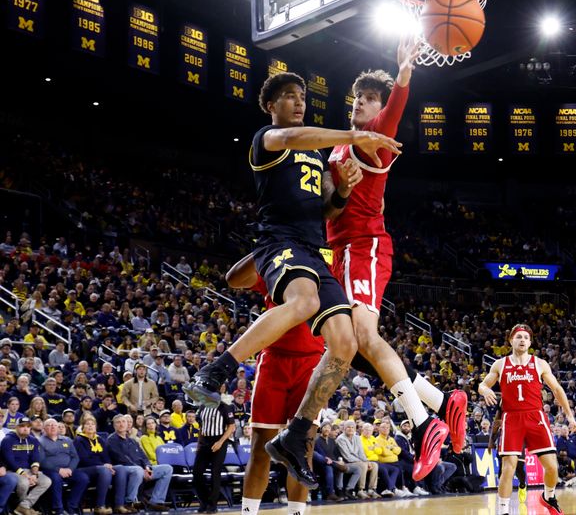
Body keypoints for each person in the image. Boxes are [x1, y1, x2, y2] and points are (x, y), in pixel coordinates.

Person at [183, 69, 405, 489]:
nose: (298, 102)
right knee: (302, 303)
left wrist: (341, 190)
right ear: (271, 106)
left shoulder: (318, 156)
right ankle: (216, 370)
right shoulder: (267, 139)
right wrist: (355, 137)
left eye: (301, 95)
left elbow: (327, 211)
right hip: (279, 241)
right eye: (288, 96)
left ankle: (298, 433)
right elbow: (292, 138)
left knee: (346, 341)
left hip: (312, 248)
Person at [327, 37, 468, 458]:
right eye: (358, 97)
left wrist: (404, 71)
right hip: (342, 250)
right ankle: (442, 401)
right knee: (348, 349)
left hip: (363, 247)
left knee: (365, 338)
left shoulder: (374, 133)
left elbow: (394, 111)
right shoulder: (342, 141)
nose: (361, 104)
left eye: (370, 100)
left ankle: (423, 425)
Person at [224, 263, 325, 515]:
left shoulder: (329, 261)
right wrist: (264, 247)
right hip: (273, 359)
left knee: (303, 450)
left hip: (312, 364)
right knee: (261, 448)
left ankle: (296, 512)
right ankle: (248, 512)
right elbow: (234, 280)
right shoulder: (278, 260)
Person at [479, 324, 576, 515]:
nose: (522, 340)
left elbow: (557, 389)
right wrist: (485, 390)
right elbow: (482, 385)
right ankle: (503, 511)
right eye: (518, 337)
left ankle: (548, 497)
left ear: (530, 342)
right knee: (509, 468)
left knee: (551, 466)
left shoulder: (540, 363)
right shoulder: (500, 364)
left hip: (536, 416)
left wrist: (569, 416)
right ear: (511, 340)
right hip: (511, 418)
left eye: (526, 337)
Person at [106, 414, 173, 513]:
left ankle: (156, 501)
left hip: (141, 469)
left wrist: (147, 467)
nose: (121, 424)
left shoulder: (132, 441)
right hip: (124, 469)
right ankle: (129, 502)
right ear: (114, 425)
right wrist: (141, 469)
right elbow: (121, 458)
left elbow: (143, 457)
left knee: (167, 469)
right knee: (137, 470)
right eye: (118, 422)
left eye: (123, 422)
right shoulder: (111, 440)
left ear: (127, 424)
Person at [193, 388, 237, 513]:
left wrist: (220, 442)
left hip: (219, 441)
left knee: (215, 473)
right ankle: (204, 501)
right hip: (204, 441)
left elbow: (231, 427)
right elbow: (201, 427)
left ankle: (213, 505)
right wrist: (199, 444)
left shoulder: (224, 406)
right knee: (196, 473)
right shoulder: (202, 407)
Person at [0, 417, 52, 515]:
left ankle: (24, 506)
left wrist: (34, 474)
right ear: (16, 427)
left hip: (29, 470)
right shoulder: (7, 440)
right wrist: (26, 476)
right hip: (13, 471)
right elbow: (10, 461)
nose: (25, 429)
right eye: (22, 426)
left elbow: (35, 459)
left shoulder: (33, 440)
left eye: (28, 426)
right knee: (24, 483)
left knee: (46, 481)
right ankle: (21, 507)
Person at [39, 418, 90, 515]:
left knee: (83, 478)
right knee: (56, 478)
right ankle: (59, 509)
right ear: (44, 429)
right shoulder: (40, 441)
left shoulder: (67, 440)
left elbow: (75, 457)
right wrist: (58, 470)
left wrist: (70, 469)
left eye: (54, 425)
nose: (52, 427)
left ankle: (71, 505)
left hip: (68, 469)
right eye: (49, 425)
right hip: (50, 470)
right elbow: (42, 461)